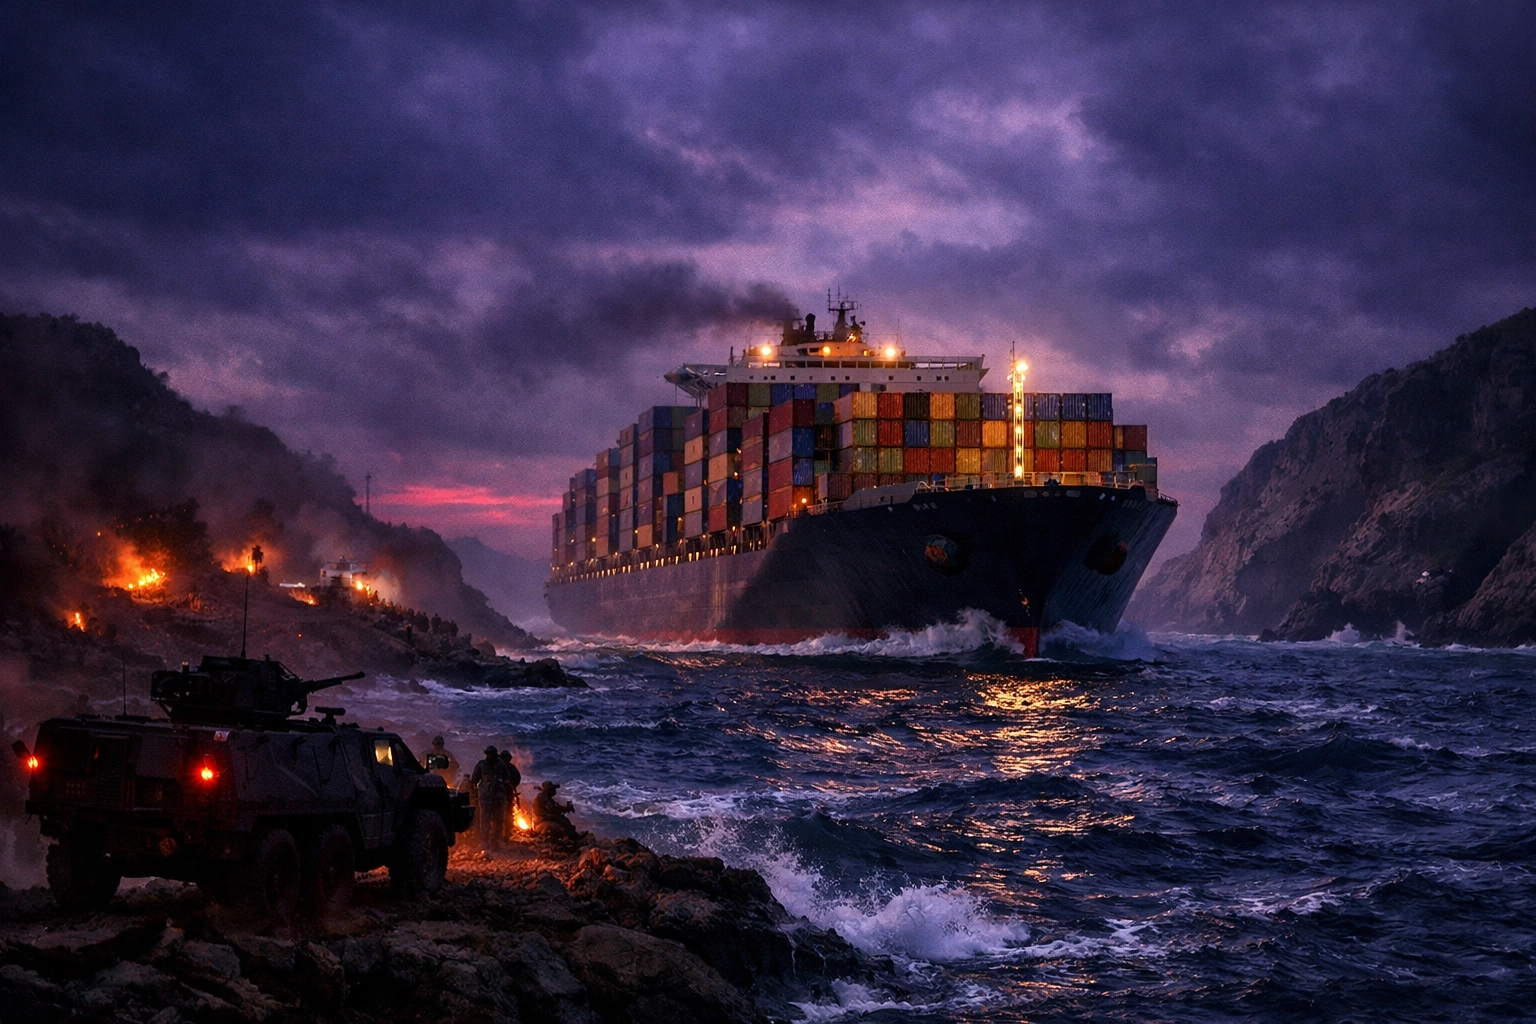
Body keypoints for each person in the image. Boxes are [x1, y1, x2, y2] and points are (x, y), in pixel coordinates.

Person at [469, 746, 509, 851]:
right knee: (484, 819)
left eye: (491, 754)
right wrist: (474, 793)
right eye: (488, 754)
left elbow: (507, 779)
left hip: (498, 797)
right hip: (485, 796)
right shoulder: (481, 765)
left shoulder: (501, 765)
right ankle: (484, 842)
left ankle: (494, 842)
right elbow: (474, 780)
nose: (489, 756)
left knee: (498, 820)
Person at [499, 750, 523, 841]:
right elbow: (517, 780)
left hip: (500, 793)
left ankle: (501, 835)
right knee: (508, 813)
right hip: (509, 793)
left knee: (499, 814)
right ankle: (507, 835)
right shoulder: (512, 768)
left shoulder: (500, 767)